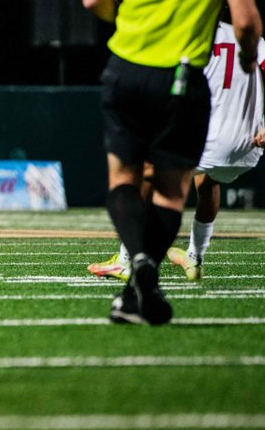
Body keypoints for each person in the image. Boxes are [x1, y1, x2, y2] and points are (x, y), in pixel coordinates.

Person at [82, 0, 262, 325]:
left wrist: (118, 21)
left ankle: (136, 269)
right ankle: (146, 269)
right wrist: (247, 58)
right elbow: (245, 23)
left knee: (123, 181)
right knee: (169, 193)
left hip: (125, 68)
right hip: (182, 76)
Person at [89, 15, 265, 281]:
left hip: (210, 138)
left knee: (145, 174)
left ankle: (127, 259)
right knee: (207, 183)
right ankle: (194, 257)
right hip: (247, 147)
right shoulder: (256, 41)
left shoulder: (193, 33)